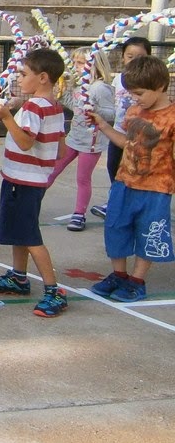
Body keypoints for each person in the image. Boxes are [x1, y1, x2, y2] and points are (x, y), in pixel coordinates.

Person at [0, 48, 68, 317]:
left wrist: (6, 118)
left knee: (29, 236)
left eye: (23, 74)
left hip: (24, 181)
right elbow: (60, 149)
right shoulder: (54, 106)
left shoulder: (33, 107)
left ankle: (54, 291)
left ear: (43, 77)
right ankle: (18, 277)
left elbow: (26, 142)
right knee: (20, 231)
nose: (18, 78)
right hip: (32, 180)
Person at [87, 54, 175, 303]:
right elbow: (127, 144)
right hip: (124, 182)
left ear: (159, 86)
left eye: (139, 93)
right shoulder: (135, 111)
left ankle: (137, 281)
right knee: (116, 226)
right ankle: (119, 274)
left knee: (149, 232)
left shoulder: (171, 117)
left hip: (156, 188)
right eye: (132, 93)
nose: (135, 98)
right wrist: (103, 125)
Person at [50, 47, 114, 232]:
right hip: (74, 137)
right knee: (54, 169)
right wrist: (63, 94)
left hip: (91, 141)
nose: (77, 67)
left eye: (81, 63)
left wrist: (95, 110)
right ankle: (34, 200)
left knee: (82, 178)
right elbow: (75, 107)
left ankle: (79, 214)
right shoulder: (81, 86)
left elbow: (111, 113)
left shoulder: (100, 88)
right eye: (75, 63)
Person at [91, 36, 152, 218]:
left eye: (140, 56)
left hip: (140, 137)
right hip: (117, 132)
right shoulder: (118, 80)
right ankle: (115, 201)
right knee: (114, 168)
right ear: (123, 57)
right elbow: (112, 106)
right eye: (130, 56)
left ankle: (129, 206)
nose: (134, 60)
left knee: (136, 173)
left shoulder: (151, 81)